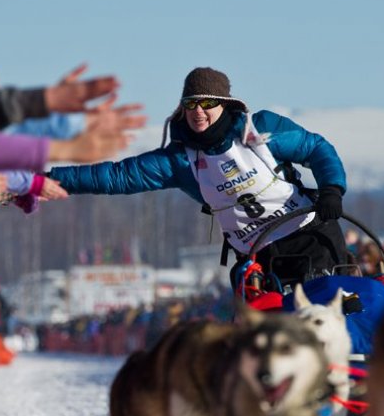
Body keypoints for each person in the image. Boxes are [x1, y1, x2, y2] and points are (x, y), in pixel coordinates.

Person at [46, 67, 349, 292]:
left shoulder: (261, 130)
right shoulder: (180, 160)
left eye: (207, 103)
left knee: (331, 317)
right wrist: (45, 181)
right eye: (190, 104)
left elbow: (315, 148)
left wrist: (331, 189)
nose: (198, 112)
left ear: (225, 105)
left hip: (310, 237)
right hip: (258, 257)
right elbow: (116, 177)